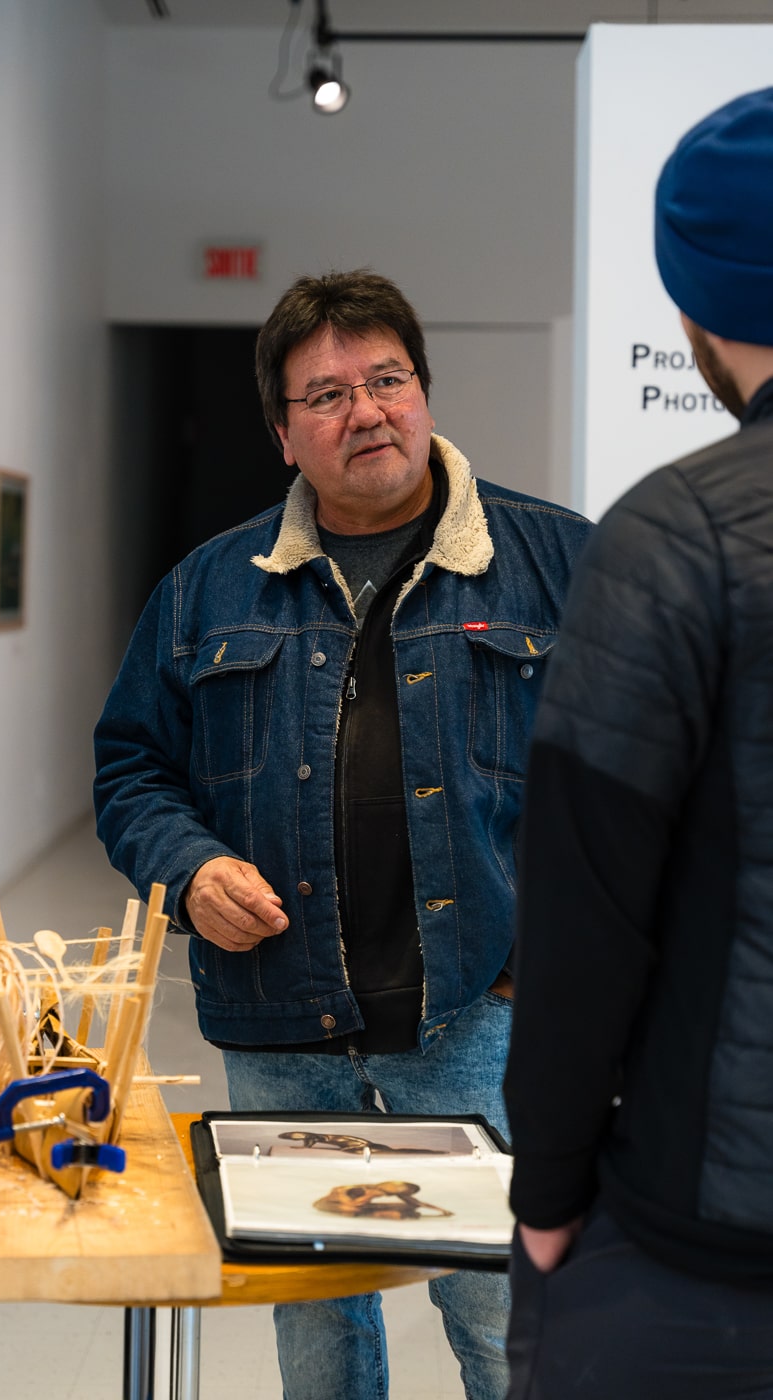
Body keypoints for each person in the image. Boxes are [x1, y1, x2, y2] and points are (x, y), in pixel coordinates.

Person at [94, 268, 590, 1400]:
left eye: (387, 379)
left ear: (424, 391)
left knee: (507, 1326)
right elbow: (132, 768)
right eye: (326, 394)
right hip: (282, 1020)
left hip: (479, 1013)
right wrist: (190, 866)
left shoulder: (560, 562)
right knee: (317, 1333)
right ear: (282, 434)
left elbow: (642, 775)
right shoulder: (205, 590)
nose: (365, 411)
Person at [503, 87, 773, 1400]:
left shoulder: (680, 536)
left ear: (696, 312)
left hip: (708, 1248)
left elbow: (584, 914)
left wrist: (547, 1190)